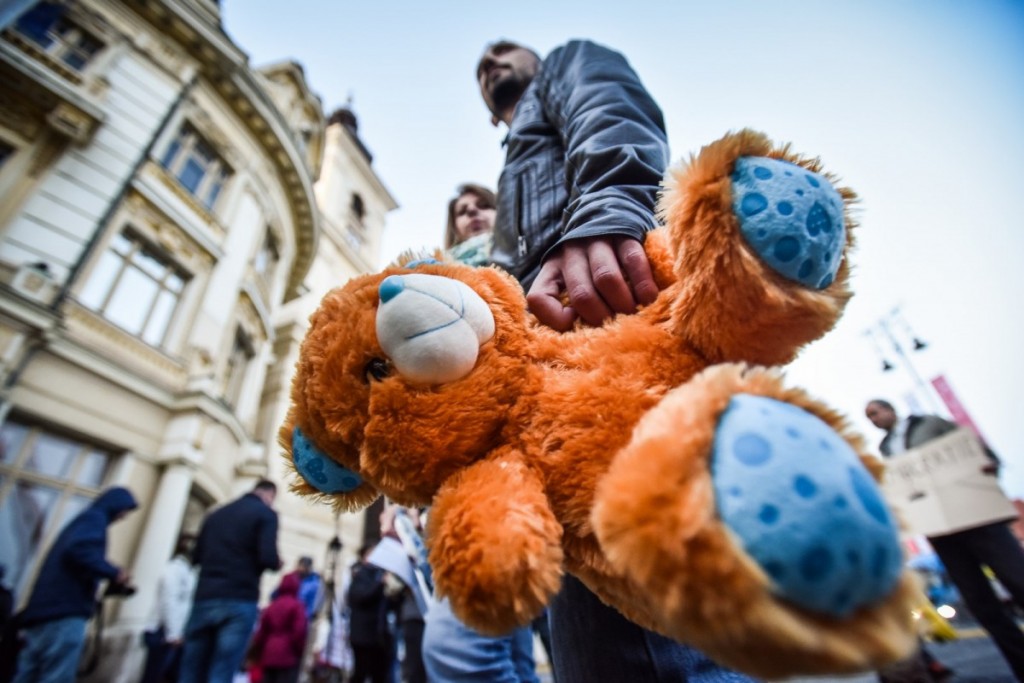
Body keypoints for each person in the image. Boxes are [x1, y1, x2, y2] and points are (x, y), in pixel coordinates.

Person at [475, 39, 752, 682]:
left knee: (660, 623)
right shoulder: (515, 159)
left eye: (503, 52)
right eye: (481, 67)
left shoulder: (567, 64)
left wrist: (605, 214)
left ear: (535, 63)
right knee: (597, 630)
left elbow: (613, 110)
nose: (490, 61)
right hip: (550, 361)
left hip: (603, 312)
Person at [866, 399, 1024, 680]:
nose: (874, 419)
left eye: (876, 412)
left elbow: (972, 448)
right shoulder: (886, 448)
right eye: (870, 417)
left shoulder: (930, 423)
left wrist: (990, 464)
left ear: (890, 409)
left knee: (1018, 580)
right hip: (941, 532)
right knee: (981, 604)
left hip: (978, 518)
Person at [12, 486, 137, 683]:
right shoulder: (94, 519)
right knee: (56, 676)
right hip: (64, 614)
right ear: (117, 505)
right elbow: (80, 550)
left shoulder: (82, 520)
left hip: (43, 614)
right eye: (125, 511)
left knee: (28, 674)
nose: (123, 517)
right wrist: (114, 573)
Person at [179, 479, 282, 683]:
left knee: (191, 669)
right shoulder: (266, 514)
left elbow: (196, 556)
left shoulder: (215, 514)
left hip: (204, 597)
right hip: (239, 598)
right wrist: (277, 562)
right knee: (222, 671)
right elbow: (267, 558)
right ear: (270, 495)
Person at [139, 534, 196, 683]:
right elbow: (169, 601)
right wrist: (173, 633)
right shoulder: (174, 569)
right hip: (163, 632)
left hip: (175, 632)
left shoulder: (189, 572)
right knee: (155, 675)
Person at [346, 544, 397, 683]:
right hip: (363, 636)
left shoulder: (380, 574)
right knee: (360, 673)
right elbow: (361, 597)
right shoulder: (361, 575)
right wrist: (380, 584)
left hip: (379, 636)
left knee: (379, 675)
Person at [248, 573, 308, 683]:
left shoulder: (272, 606)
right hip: (288, 655)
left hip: (268, 653)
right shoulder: (297, 606)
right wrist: (299, 650)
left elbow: (262, 632)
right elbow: (299, 631)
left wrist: (259, 650)